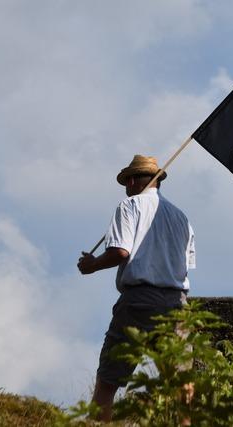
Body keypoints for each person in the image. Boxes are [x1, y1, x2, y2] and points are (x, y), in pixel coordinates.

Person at [77, 154, 195, 422]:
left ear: (131, 181)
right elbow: (186, 265)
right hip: (177, 304)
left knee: (108, 382)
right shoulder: (181, 217)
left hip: (139, 301)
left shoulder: (129, 206)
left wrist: (92, 264)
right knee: (181, 383)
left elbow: (120, 251)